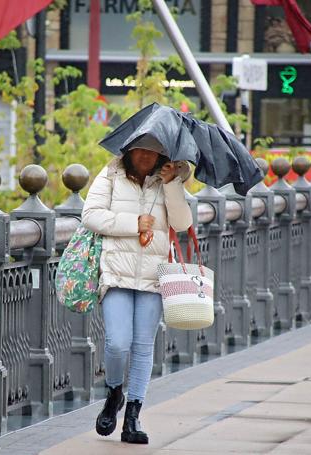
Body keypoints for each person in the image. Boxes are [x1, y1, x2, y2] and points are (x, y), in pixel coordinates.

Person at [81, 136, 193, 444]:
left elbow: (182, 223)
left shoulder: (168, 179)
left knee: (144, 346)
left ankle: (133, 416)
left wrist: (172, 185)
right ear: (128, 150)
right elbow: (90, 215)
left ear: (163, 155)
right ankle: (115, 391)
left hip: (153, 277)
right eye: (140, 149)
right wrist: (134, 223)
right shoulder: (111, 175)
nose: (146, 155)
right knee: (117, 343)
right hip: (116, 274)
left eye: (154, 151)